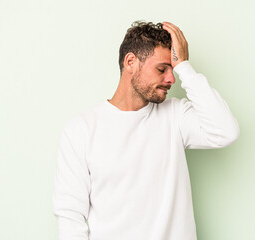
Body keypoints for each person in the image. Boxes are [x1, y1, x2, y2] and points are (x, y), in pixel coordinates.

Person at [52, 21, 240, 240]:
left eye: (173, 69)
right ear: (131, 62)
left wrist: (184, 67)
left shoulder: (176, 116)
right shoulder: (82, 130)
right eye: (162, 69)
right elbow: (70, 216)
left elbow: (226, 131)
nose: (171, 79)